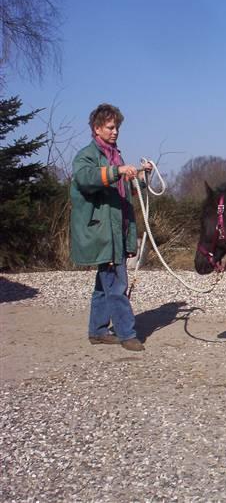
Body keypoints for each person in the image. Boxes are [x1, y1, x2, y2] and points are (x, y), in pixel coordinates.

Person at [70, 104, 152, 351]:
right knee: (117, 283)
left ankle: (97, 331)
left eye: (117, 127)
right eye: (110, 127)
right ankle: (127, 334)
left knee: (104, 283)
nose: (115, 131)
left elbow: (125, 188)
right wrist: (117, 171)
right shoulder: (86, 156)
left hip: (118, 230)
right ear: (97, 128)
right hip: (102, 233)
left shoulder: (116, 157)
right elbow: (87, 179)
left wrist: (141, 177)